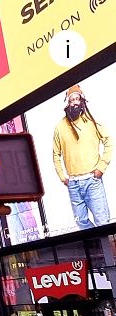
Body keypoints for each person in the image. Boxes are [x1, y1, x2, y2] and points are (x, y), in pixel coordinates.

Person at [52, 84, 113, 230]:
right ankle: (98, 252)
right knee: (81, 223)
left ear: (82, 101)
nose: (74, 103)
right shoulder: (60, 127)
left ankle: (110, 252)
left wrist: (101, 168)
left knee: (103, 222)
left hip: (92, 180)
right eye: (71, 100)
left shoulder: (91, 121)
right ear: (67, 103)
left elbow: (109, 142)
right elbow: (56, 154)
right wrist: (62, 177)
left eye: (77, 99)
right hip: (73, 184)